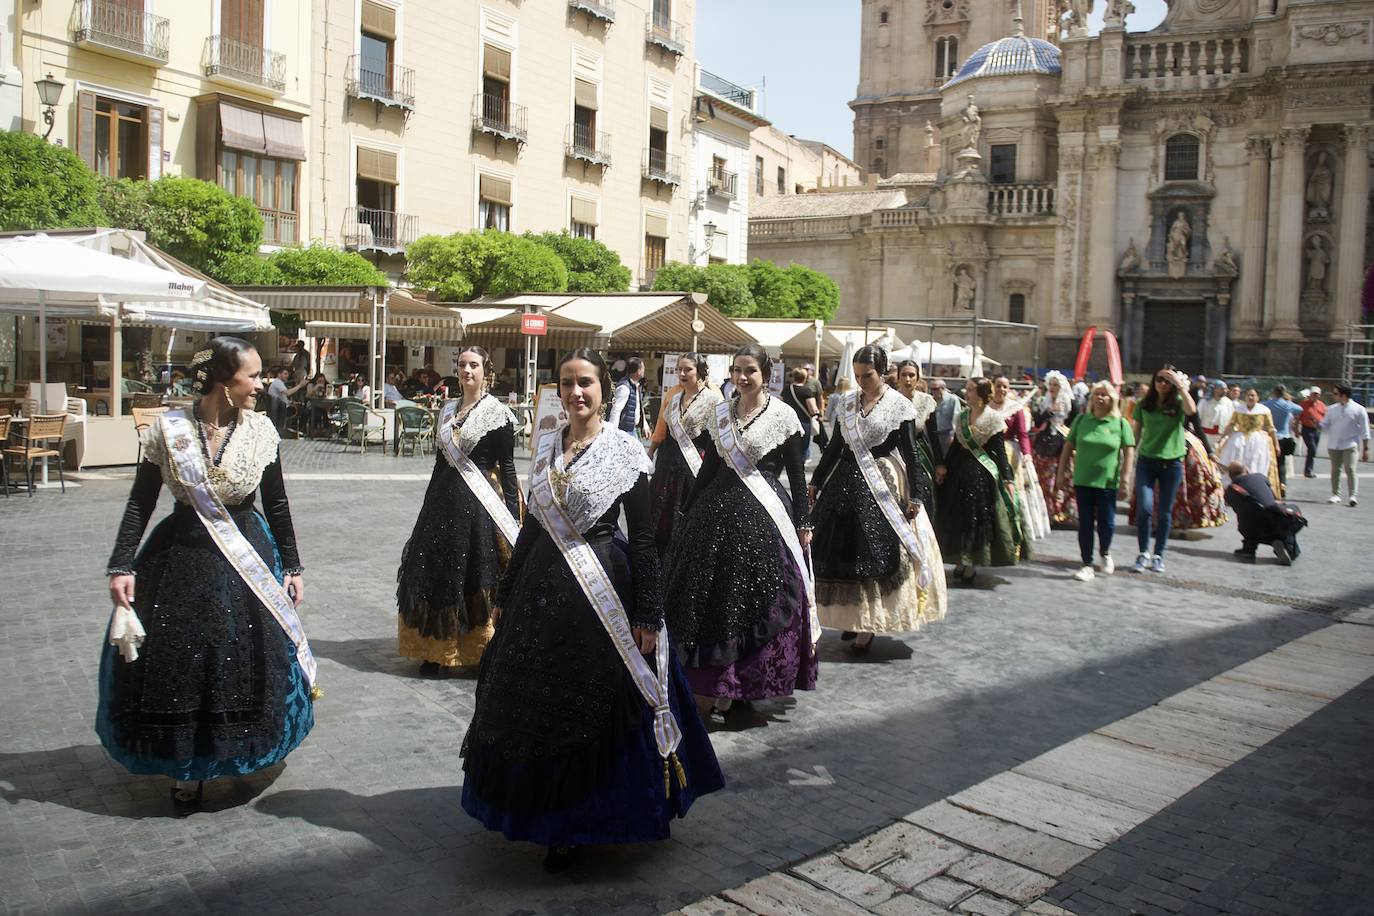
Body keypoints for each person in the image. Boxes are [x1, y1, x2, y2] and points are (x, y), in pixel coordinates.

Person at [460, 349, 722, 872]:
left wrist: (646, 615)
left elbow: (644, 539)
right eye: (566, 383)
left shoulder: (626, 451)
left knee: (599, 703)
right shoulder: (549, 446)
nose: (575, 393)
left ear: (605, 389)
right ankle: (543, 811)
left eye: (585, 383)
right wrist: (507, 595)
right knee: (536, 704)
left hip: (603, 586)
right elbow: (534, 525)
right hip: (541, 587)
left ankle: (585, 817)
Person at [100, 338, 316, 814]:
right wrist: (121, 564)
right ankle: (188, 768)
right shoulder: (169, 429)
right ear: (224, 379)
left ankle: (234, 750)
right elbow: (141, 501)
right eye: (253, 376)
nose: (262, 384)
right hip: (180, 559)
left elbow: (277, 504)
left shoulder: (261, 431)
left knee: (238, 656)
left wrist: (293, 565)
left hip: (246, 559)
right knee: (183, 660)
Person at [663, 344, 818, 723]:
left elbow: (796, 475)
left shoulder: (784, 416)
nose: (742, 377)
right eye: (736, 370)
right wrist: (691, 507)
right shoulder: (721, 412)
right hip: (716, 508)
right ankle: (711, 683)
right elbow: (711, 464)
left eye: (749, 370)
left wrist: (804, 521)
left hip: (763, 513)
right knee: (710, 598)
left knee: (757, 595)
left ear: (766, 374)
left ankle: (744, 684)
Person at [809, 347, 945, 653]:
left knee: (873, 551)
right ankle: (850, 617)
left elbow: (910, 454)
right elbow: (834, 448)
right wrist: (817, 480)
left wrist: (918, 494)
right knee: (841, 550)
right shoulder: (845, 402)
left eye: (867, 375)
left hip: (881, 480)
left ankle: (868, 624)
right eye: (856, 375)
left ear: (882, 372)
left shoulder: (899, 405)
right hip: (844, 480)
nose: (861, 382)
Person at [395, 347, 520, 677]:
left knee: (475, 572)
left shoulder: (499, 414)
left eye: (474, 365)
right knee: (437, 571)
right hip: (443, 500)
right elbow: (440, 461)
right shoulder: (448, 409)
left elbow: (507, 467)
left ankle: (479, 648)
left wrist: (512, 516)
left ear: (485, 371)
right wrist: (428, 503)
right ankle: (436, 650)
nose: (467, 370)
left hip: (478, 506)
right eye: (462, 364)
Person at [934, 377, 1027, 585]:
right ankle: (960, 559)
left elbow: (1000, 452)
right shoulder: (963, 416)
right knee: (958, 517)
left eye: (971, 390)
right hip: (959, 471)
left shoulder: (993, 418)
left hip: (981, 474)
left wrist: (1007, 478)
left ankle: (971, 562)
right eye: (966, 389)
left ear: (983, 394)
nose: (966, 393)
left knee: (976, 519)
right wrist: (944, 466)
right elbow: (957, 446)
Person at [1058, 382, 1136, 581]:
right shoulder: (1082, 420)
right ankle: (1087, 563)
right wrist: (1061, 473)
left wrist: (1126, 478)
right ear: (1091, 398)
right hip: (1083, 480)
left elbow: (1128, 452)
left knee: (1107, 523)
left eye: (1104, 395)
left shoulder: (1120, 424)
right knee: (1085, 523)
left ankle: (1105, 552)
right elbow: (1068, 446)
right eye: (1096, 394)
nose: (1100, 398)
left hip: (1108, 482)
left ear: (1112, 399)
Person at [647, 353, 723, 557]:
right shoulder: (673, 398)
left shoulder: (713, 400)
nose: (681, 373)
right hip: (667, 466)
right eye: (678, 369)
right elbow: (662, 428)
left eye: (687, 369)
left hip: (696, 467)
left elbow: (718, 439)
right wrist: (651, 451)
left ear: (699, 371)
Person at [1129, 366, 1197, 573]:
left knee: (1165, 512)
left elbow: (1191, 410)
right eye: (1159, 379)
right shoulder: (1143, 404)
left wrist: (1181, 386)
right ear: (1153, 381)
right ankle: (1143, 553)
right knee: (1145, 508)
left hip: (1172, 463)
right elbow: (1136, 434)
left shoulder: (1177, 403)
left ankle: (1158, 554)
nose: (1162, 384)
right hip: (1147, 462)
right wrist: (1128, 459)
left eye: (1167, 381)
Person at [994, 375, 1050, 542]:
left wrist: (1026, 453)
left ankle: (1013, 525)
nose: (1001, 389)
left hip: (1010, 453)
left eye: (1005, 386)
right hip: (990, 453)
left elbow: (1022, 434)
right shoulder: (986, 406)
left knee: (1010, 489)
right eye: (998, 385)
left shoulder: (1015, 409)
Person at [1225, 461, 1306, 565]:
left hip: (1252, 528)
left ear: (1230, 476)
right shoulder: (1260, 477)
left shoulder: (1230, 491)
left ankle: (1249, 549)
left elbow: (1237, 510)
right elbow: (1272, 496)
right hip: (1278, 519)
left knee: (1246, 517)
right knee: (1287, 521)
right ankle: (1286, 546)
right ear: (1246, 470)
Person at [1031, 371, 1077, 527]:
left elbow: (1074, 425)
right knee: (1045, 480)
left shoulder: (1071, 404)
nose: (1052, 387)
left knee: (1063, 479)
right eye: (1050, 384)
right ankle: (1048, 512)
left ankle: (1063, 512)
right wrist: (1049, 411)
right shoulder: (1044, 401)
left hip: (1063, 443)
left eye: (1056, 385)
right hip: (1045, 443)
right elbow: (1037, 422)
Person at [1216, 388, 1281, 496]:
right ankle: (1232, 488)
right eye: (1249, 395)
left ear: (1257, 397)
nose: (1251, 398)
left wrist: (1276, 445)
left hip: (1257, 440)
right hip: (1239, 438)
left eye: (1253, 395)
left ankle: (1255, 488)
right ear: (1245, 397)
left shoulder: (1264, 410)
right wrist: (1222, 438)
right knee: (1235, 460)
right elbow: (1231, 425)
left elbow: (1270, 428)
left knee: (1256, 462)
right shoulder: (1238, 409)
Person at [1320, 384, 1370, 506]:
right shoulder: (1332, 409)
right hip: (1334, 444)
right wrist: (1317, 423)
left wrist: (1366, 449)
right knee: (1335, 470)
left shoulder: (1359, 409)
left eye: (1336, 393)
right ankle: (1335, 494)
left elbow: (1365, 430)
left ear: (1344, 395)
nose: (1334, 396)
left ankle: (1353, 495)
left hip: (1350, 444)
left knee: (1350, 468)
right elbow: (1325, 424)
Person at [1262, 385, 1303, 490]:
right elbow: (1300, 409)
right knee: (1281, 463)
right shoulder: (1287, 405)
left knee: (1268, 461)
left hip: (1269, 436)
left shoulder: (1267, 404)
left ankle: (1269, 483)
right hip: (1283, 437)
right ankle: (1282, 483)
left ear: (1274, 392)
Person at [782, 367, 823, 460]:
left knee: (790, 445)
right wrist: (818, 414)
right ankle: (801, 465)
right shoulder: (806, 391)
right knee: (803, 447)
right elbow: (813, 409)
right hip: (804, 422)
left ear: (793, 377)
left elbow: (782, 403)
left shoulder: (787, 389)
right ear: (805, 378)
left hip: (789, 421)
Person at [609, 356, 651, 439]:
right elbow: (616, 410)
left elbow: (638, 407)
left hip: (632, 429)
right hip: (624, 430)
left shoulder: (635, 386)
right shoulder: (625, 387)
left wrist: (645, 425)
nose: (644, 371)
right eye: (643, 368)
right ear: (638, 371)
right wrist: (612, 433)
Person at [265, 366, 306, 434]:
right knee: (304, 411)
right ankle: (300, 431)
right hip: (280, 409)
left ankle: (297, 430)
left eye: (287, 374)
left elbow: (282, 397)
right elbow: (287, 393)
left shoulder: (279, 383)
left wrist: (291, 402)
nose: (287, 376)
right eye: (285, 374)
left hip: (281, 406)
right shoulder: (278, 382)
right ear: (279, 374)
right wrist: (299, 385)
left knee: (302, 409)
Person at [1298, 387, 1326, 478]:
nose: (1315, 396)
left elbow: (1325, 417)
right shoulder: (1304, 404)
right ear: (1310, 394)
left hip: (1317, 430)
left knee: (1313, 451)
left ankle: (1308, 470)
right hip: (1307, 429)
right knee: (1312, 448)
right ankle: (1308, 470)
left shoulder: (1321, 405)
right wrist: (1295, 429)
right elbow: (1298, 417)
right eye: (1314, 394)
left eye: (1317, 394)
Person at [930, 378, 960, 454]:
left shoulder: (953, 400)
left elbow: (956, 418)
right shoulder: (930, 400)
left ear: (943, 388)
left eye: (936, 389)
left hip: (947, 434)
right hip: (933, 434)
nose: (933, 391)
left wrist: (953, 435)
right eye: (932, 389)